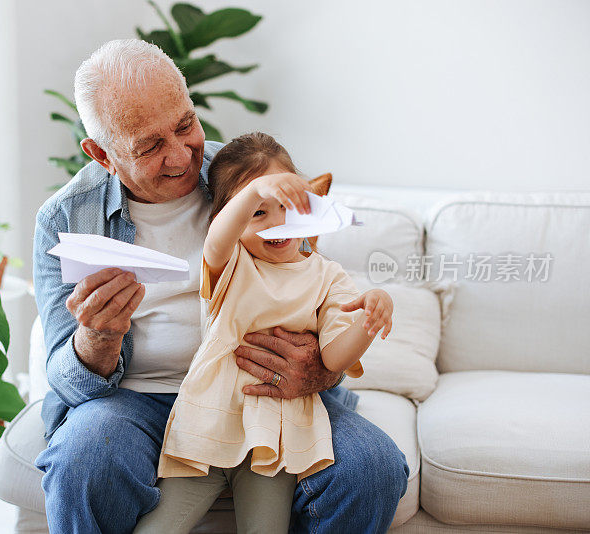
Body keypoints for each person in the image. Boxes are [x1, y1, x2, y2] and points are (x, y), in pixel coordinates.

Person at [33, 38, 409, 534]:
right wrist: (97, 338)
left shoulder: (243, 174)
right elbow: (65, 378)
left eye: (185, 125)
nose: (180, 156)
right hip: (137, 399)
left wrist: (315, 367)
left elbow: (311, 288)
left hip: (264, 390)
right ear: (101, 153)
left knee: (374, 468)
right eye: (149, 146)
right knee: (85, 459)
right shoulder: (67, 218)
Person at [133, 133, 394, 534]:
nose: (277, 225)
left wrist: (368, 320)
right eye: (258, 213)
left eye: (287, 207)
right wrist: (256, 190)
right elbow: (219, 236)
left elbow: (335, 358)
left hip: (274, 436)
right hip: (205, 427)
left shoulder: (328, 276)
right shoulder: (231, 262)